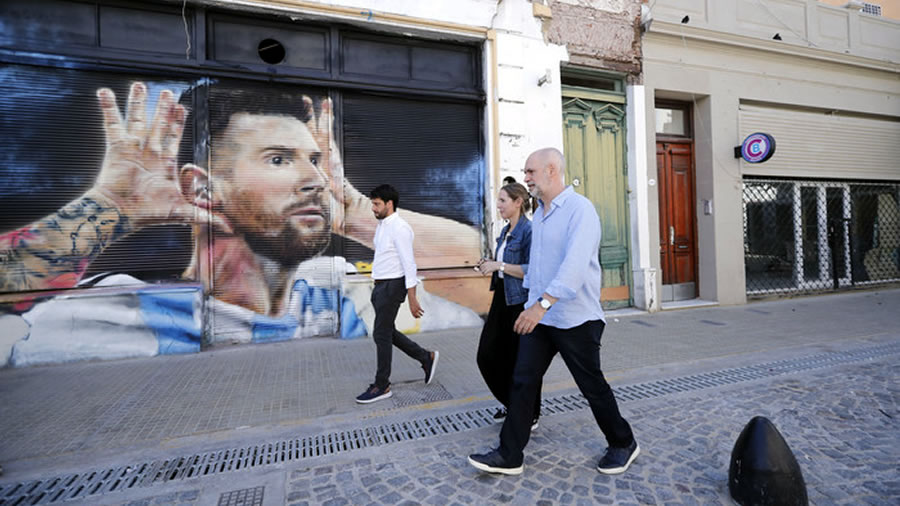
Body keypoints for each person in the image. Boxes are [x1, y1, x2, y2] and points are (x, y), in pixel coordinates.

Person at [0, 82, 481, 366]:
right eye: (278, 159)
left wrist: (353, 209)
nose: (315, 178)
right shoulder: (111, 314)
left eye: (314, 160)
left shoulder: (339, 295)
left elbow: (478, 281)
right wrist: (109, 208)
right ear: (204, 189)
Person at [467, 147, 639, 476]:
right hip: (542, 317)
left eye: (530, 172)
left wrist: (541, 305)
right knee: (522, 381)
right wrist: (533, 304)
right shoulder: (542, 214)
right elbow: (539, 269)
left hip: (576, 319)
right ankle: (510, 454)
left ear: (551, 170)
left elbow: (573, 269)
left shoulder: (579, 210)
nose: (526, 178)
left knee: (592, 386)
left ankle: (623, 442)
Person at [356, 184, 438, 404]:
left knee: (381, 334)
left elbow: (408, 263)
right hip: (381, 285)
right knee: (385, 331)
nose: (373, 208)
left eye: (376, 204)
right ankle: (425, 357)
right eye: (372, 204)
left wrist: (412, 297)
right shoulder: (383, 225)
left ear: (389, 204)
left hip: (393, 285)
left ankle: (382, 384)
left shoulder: (400, 228)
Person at [475, 182, 541, 429]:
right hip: (501, 298)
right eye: (498, 200)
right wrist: (489, 264)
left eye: (503, 201)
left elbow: (531, 271)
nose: (499, 205)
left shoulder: (529, 231)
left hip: (520, 301)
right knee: (488, 355)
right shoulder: (504, 232)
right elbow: (503, 265)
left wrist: (499, 266)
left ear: (518, 203)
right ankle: (512, 402)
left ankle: (530, 412)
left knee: (521, 360)